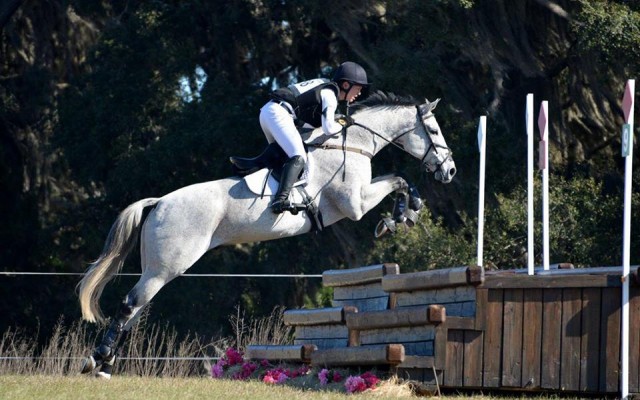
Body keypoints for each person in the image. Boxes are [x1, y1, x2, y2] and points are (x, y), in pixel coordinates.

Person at [260, 61, 370, 214]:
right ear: (346, 85)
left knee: (282, 155)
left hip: (269, 111)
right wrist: (343, 122)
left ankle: (254, 170)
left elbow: (310, 123)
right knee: (298, 156)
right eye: (358, 88)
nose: (358, 94)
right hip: (278, 114)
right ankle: (280, 199)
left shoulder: (324, 85)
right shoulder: (331, 94)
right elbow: (329, 128)